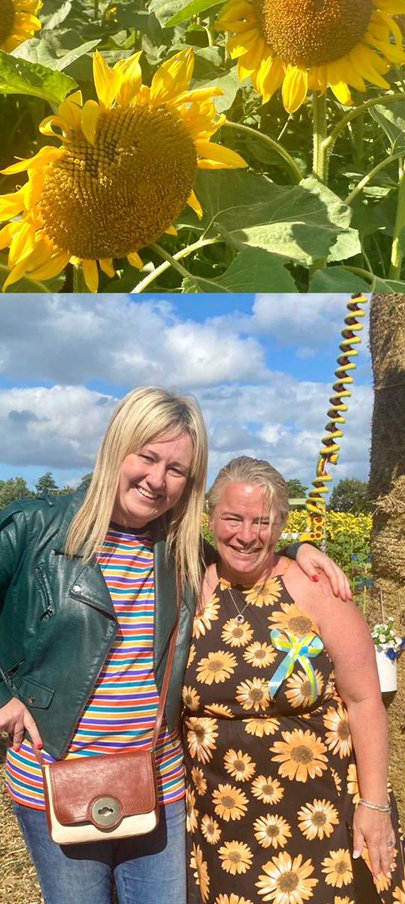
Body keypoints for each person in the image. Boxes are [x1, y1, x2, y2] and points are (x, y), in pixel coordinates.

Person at [0, 387, 349, 904]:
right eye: (146, 457)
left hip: (158, 783)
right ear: (116, 449)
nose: (157, 480)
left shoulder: (182, 551)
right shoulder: (35, 529)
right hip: (54, 779)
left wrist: (298, 548)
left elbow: (245, 548)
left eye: (177, 470)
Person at [183, 456, 405, 904]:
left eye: (262, 522)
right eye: (232, 518)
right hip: (221, 821)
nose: (246, 535)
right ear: (210, 519)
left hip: (322, 816)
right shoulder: (190, 585)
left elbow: (364, 701)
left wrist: (375, 805)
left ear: (282, 524)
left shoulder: (315, 588)